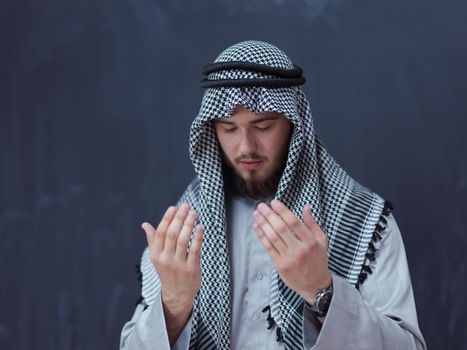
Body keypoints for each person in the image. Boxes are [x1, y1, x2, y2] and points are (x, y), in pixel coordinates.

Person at [120, 40, 426, 350]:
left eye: (263, 126)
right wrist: (173, 306)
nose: (245, 147)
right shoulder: (183, 230)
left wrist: (322, 292)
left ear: (295, 125)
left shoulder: (362, 221)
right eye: (228, 128)